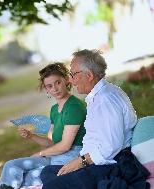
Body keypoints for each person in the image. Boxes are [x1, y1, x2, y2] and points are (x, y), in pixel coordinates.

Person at [40, 49, 144, 189]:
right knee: (47, 172)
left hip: (111, 165)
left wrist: (80, 161)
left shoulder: (105, 100)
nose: (70, 80)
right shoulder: (99, 96)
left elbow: (111, 147)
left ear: (89, 75)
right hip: (95, 162)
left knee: (51, 186)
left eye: (73, 74)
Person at [0, 63, 87, 189]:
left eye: (58, 83)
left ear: (66, 80)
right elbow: (52, 143)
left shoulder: (74, 107)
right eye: (49, 86)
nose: (54, 88)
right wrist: (31, 136)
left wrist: (40, 154)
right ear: (47, 89)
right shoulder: (54, 109)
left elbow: (65, 146)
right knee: (11, 166)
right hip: (55, 155)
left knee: (22, 179)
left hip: (72, 158)